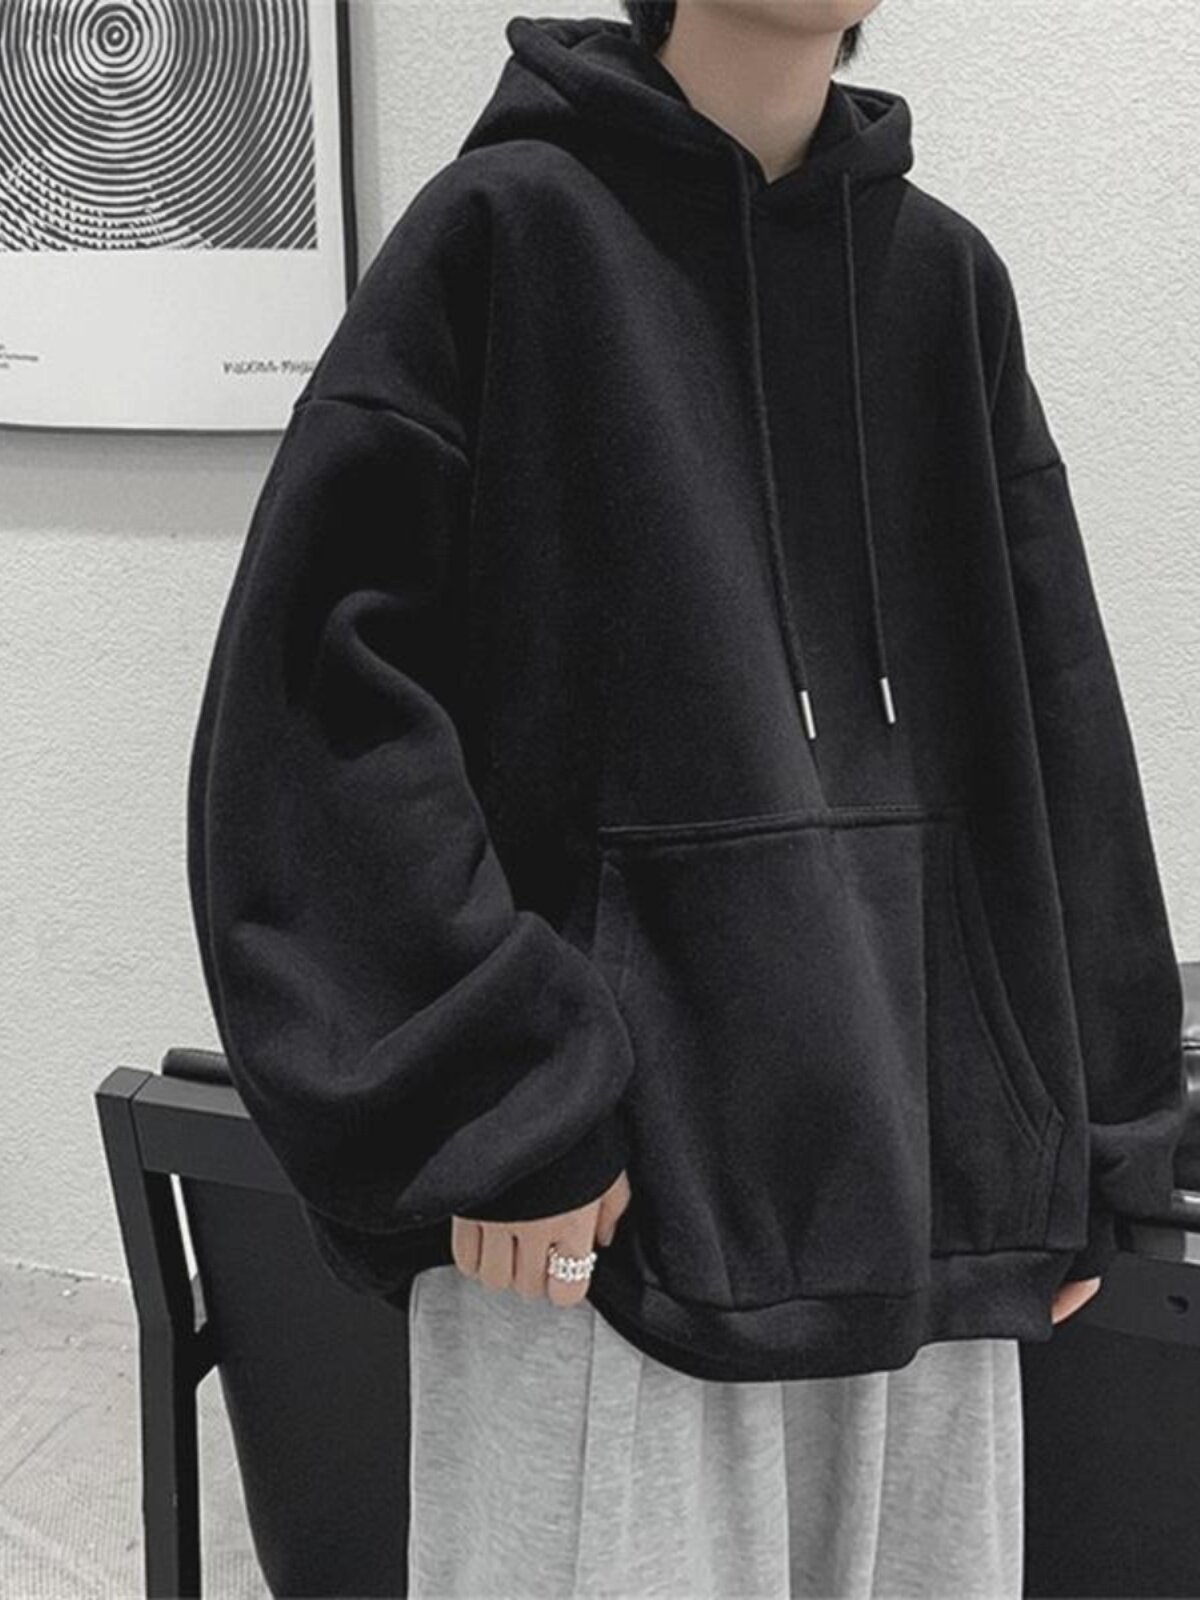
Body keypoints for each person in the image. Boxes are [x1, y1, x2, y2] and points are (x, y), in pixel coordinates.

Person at [186, 2, 1188, 1595]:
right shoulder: (501, 236)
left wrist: (1106, 1136)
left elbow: (1061, 713)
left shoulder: (944, 283)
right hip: (601, 1219)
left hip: (931, 1202)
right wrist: (497, 1101)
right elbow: (315, 714)